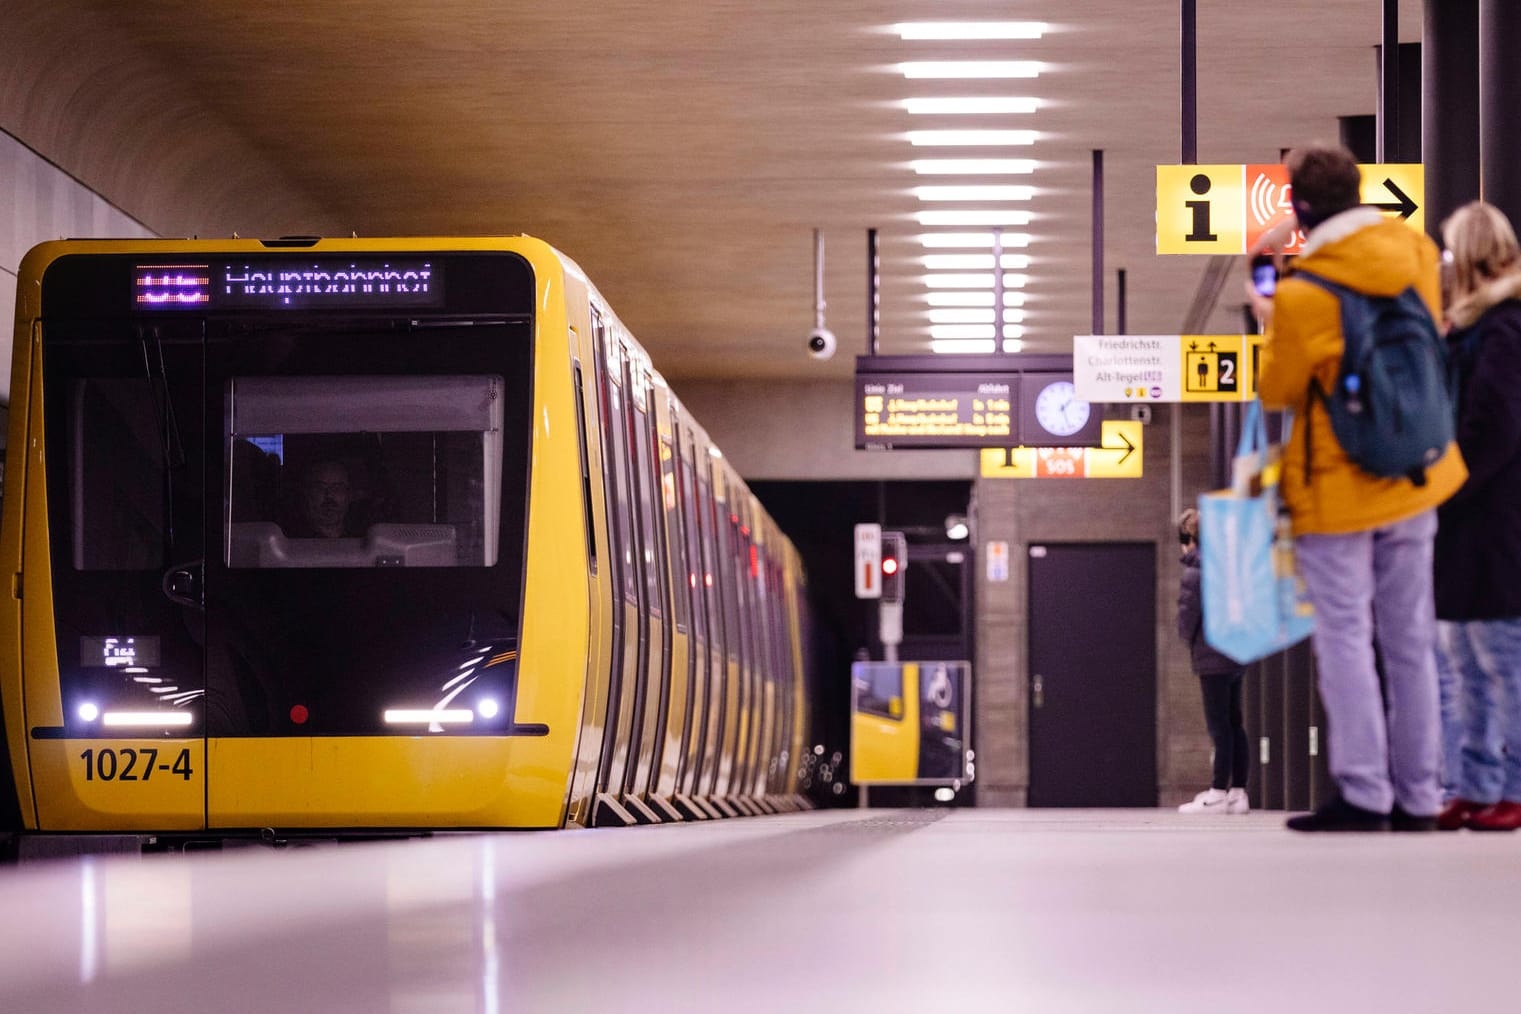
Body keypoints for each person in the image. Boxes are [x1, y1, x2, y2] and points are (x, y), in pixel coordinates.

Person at [1252, 144, 1467, 832]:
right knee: (1410, 639)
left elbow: (1279, 391)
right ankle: (1419, 795)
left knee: (1345, 636)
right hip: (1415, 472)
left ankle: (1365, 792)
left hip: (1337, 488)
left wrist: (1269, 312)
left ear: (1300, 208)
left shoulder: (1303, 292)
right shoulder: (1413, 252)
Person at [1432, 201, 1521, 832]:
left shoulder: (1504, 329)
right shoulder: (1473, 330)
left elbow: (1493, 426)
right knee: (1463, 659)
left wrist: (1445, 482)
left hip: (1494, 519)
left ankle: (1511, 786)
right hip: (1468, 521)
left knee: (1500, 660)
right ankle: (1474, 781)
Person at [1175, 507, 1250, 814]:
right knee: (1235, 723)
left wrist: (1186, 638)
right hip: (1235, 653)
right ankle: (1238, 792)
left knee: (1218, 725)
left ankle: (1217, 792)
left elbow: (1187, 615)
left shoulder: (1197, 569)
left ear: (1190, 537)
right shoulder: (1230, 566)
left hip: (1211, 655)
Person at [287, 459, 358, 538]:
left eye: (337, 488)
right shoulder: (291, 539)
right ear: (307, 494)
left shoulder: (361, 538)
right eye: (320, 488)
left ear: (349, 495)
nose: (329, 495)